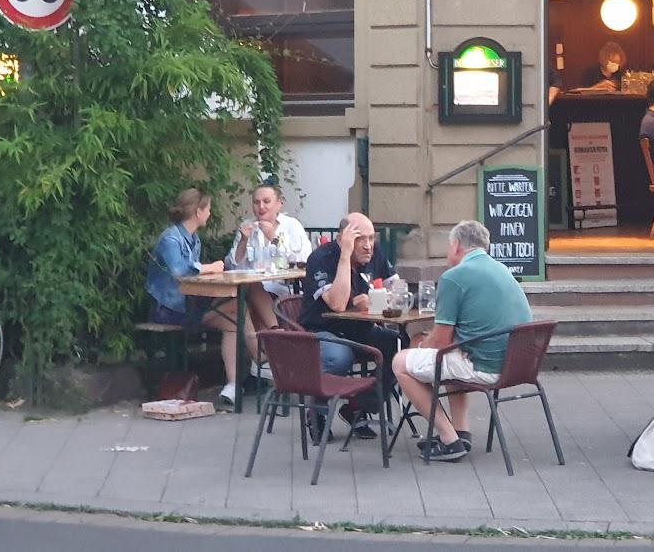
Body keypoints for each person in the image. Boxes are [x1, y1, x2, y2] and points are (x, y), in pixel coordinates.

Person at [392, 220, 532, 462]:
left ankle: (449, 440)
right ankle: (461, 430)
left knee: (400, 363)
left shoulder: (454, 277)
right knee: (449, 357)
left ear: (456, 245)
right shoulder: (501, 269)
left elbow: (441, 342)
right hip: (516, 365)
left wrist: (420, 345)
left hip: (485, 366)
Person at [146, 188, 275, 407]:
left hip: (189, 303)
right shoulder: (170, 238)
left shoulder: (193, 239)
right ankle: (263, 361)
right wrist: (211, 267)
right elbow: (180, 271)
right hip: (168, 308)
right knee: (237, 309)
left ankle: (235, 384)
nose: (210, 213)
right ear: (198, 211)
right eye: (208, 209)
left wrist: (210, 271)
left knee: (234, 316)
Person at [299, 213, 400, 444]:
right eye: (360, 239)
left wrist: (382, 299)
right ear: (343, 238)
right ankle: (318, 414)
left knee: (397, 344)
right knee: (339, 356)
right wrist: (345, 256)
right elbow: (336, 303)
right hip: (322, 330)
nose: (368, 246)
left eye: (371, 238)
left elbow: (396, 288)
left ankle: (358, 406)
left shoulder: (373, 253)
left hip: (359, 329)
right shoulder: (321, 258)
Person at [228, 182, 312, 299]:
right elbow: (232, 267)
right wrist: (243, 241)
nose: (261, 207)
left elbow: (303, 259)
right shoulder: (247, 226)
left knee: (253, 289)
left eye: (266, 201)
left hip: (281, 290)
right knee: (226, 309)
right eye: (256, 202)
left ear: (279, 204)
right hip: (247, 290)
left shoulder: (292, 225)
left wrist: (274, 238)